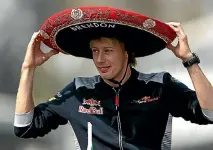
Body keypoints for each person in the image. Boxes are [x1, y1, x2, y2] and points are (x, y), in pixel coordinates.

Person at [14, 6, 213, 150]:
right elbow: (25, 127)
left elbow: (209, 113)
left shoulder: (160, 85)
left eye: (108, 50)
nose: (100, 59)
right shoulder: (79, 90)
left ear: (127, 52)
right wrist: (28, 68)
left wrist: (188, 60)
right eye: (95, 51)